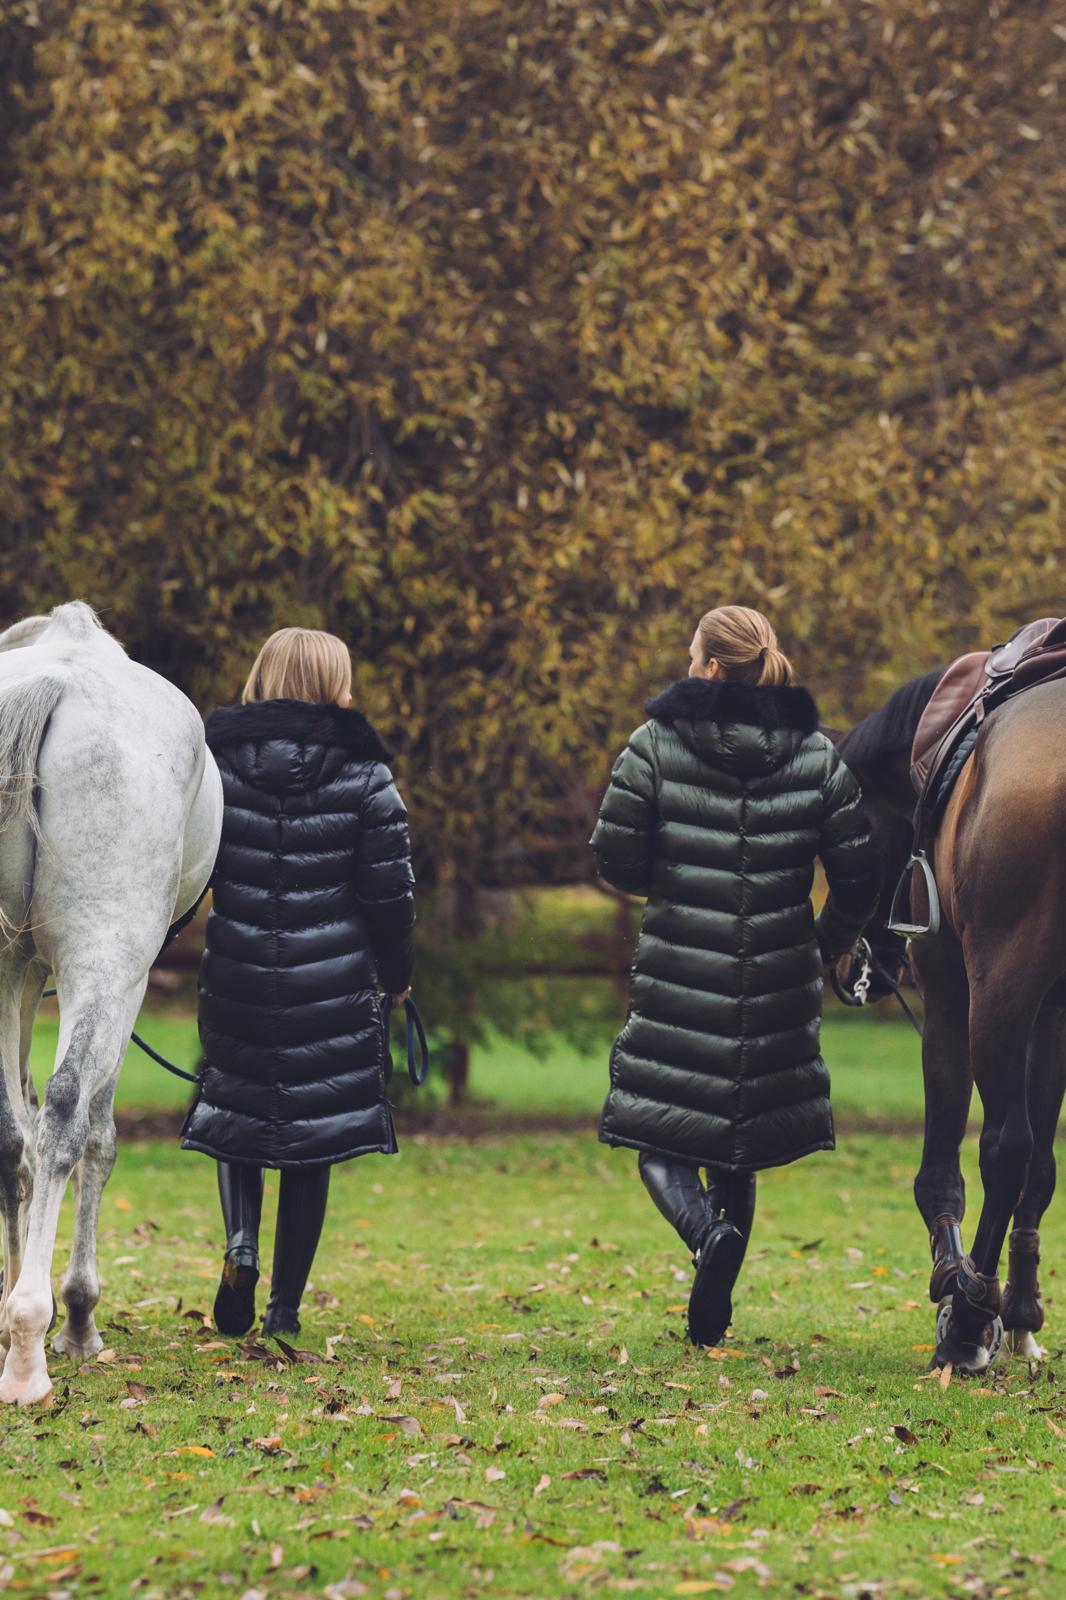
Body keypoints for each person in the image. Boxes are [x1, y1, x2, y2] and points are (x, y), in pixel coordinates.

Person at [590, 605, 880, 1348]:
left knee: (660, 1135)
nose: (688, 664)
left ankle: (703, 1235)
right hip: (777, 982)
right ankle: (711, 1309)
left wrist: (672, 880)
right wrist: (823, 945)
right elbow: (860, 873)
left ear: (713, 667)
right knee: (738, 1143)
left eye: (693, 653)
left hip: (678, 972)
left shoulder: (656, 744)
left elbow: (615, 858)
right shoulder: (816, 755)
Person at [182, 627, 415, 1339]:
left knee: (236, 1107)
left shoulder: (213, 766)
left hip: (238, 970)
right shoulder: (366, 774)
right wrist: (398, 978)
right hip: (331, 981)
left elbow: (188, 870)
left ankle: (240, 1246)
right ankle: (283, 1311)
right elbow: (389, 894)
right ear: (332, 684)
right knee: (313, 1137)